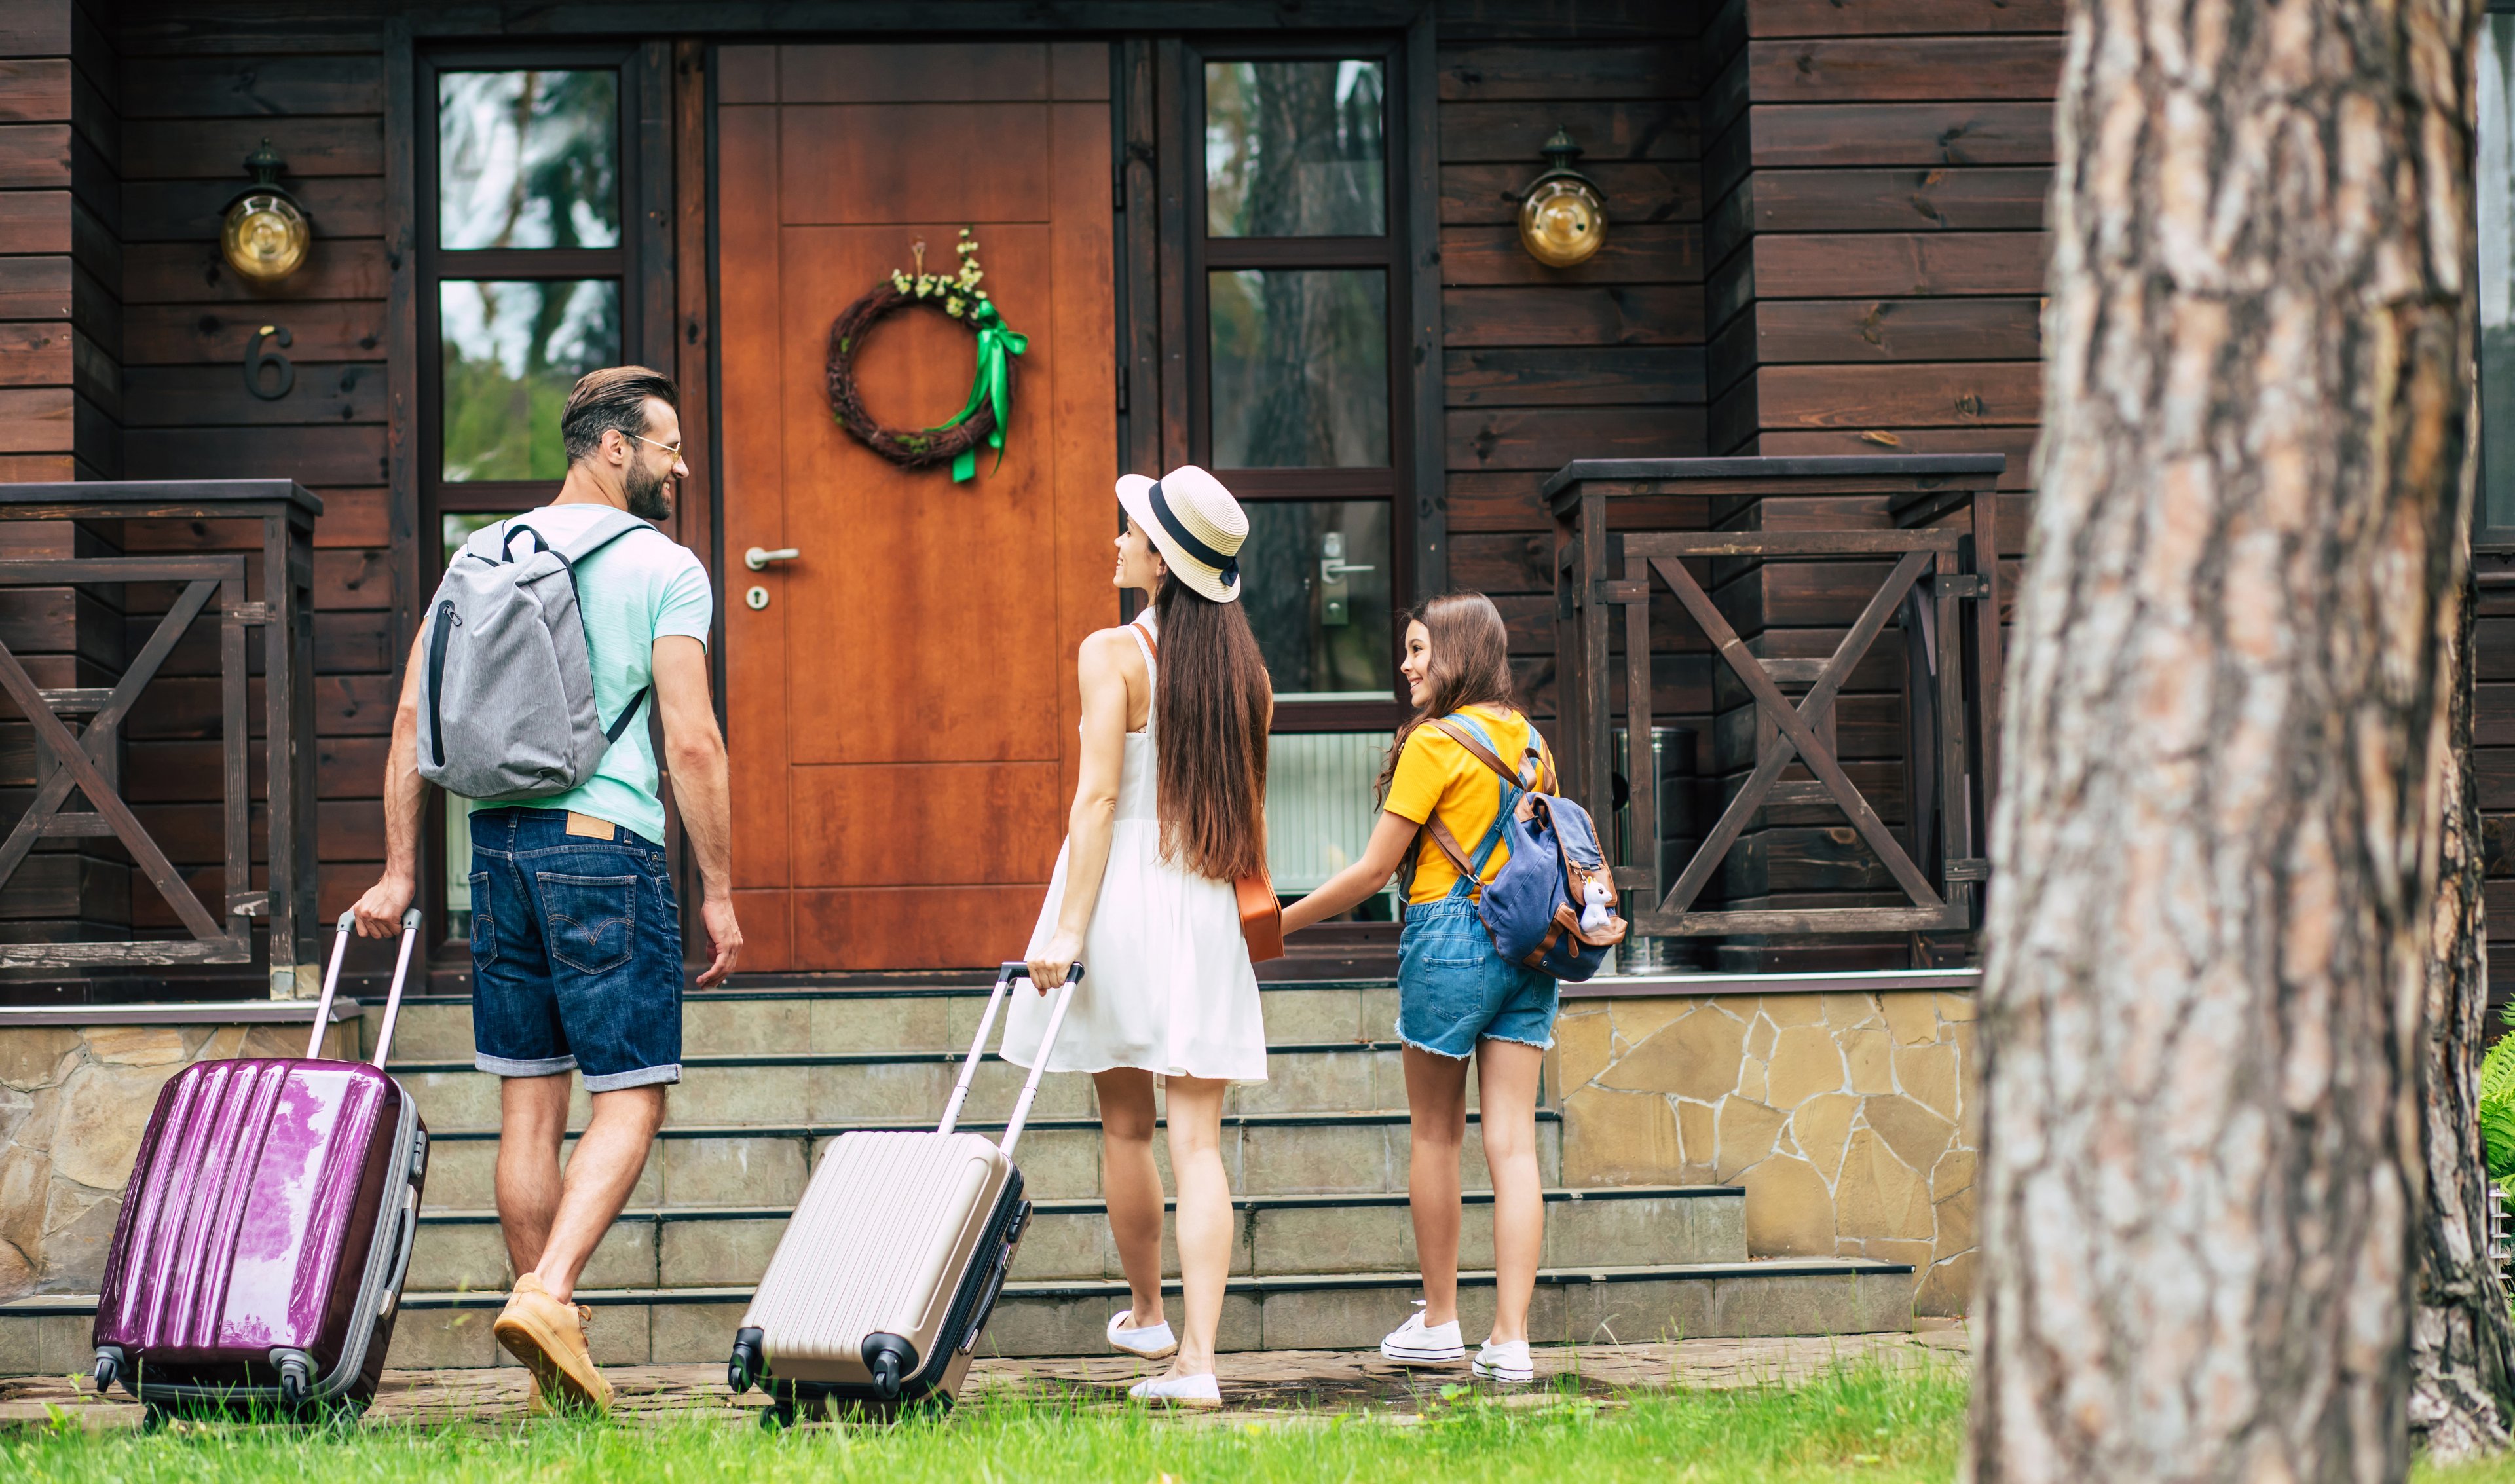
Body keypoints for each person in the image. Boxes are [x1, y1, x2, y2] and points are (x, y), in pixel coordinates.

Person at [351, 366, 742, 1413]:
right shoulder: (667, 565)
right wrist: (720, 890)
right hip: (602, 845)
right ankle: (551, 1293)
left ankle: (548, 1379)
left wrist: (399, 869)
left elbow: (409, 727)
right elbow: (693, 742)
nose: (680, 465)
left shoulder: (477, 554)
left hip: (498, 852)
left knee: (530, 1104)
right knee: (634, 1090)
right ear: (614, 449)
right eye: (667, 446)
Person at [1005, 464, 1271, 1411]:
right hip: (1202, 901)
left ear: (1161, 559)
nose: (1115, 541)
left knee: (1125, 1121)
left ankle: (1149, 1310)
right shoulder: (1245, 670)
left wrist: (1066, 931)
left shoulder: (1113, 651)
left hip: (1119, 897)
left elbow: (1098, 800)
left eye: (1129, 531)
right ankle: (1196, 1355)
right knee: (1198, 1141)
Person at [1278, 593, 1557, 1385]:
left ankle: (1440, 1322)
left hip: (1452, 936)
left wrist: (1278, 924)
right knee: (1513, 1144)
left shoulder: (1434, 743)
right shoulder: (1532, 743)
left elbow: (1372, 870)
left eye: (1417, 650)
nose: (1406, 665)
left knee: (1437, 1135)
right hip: (1531, 943)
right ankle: (1512, 1339)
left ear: (1458, 652)